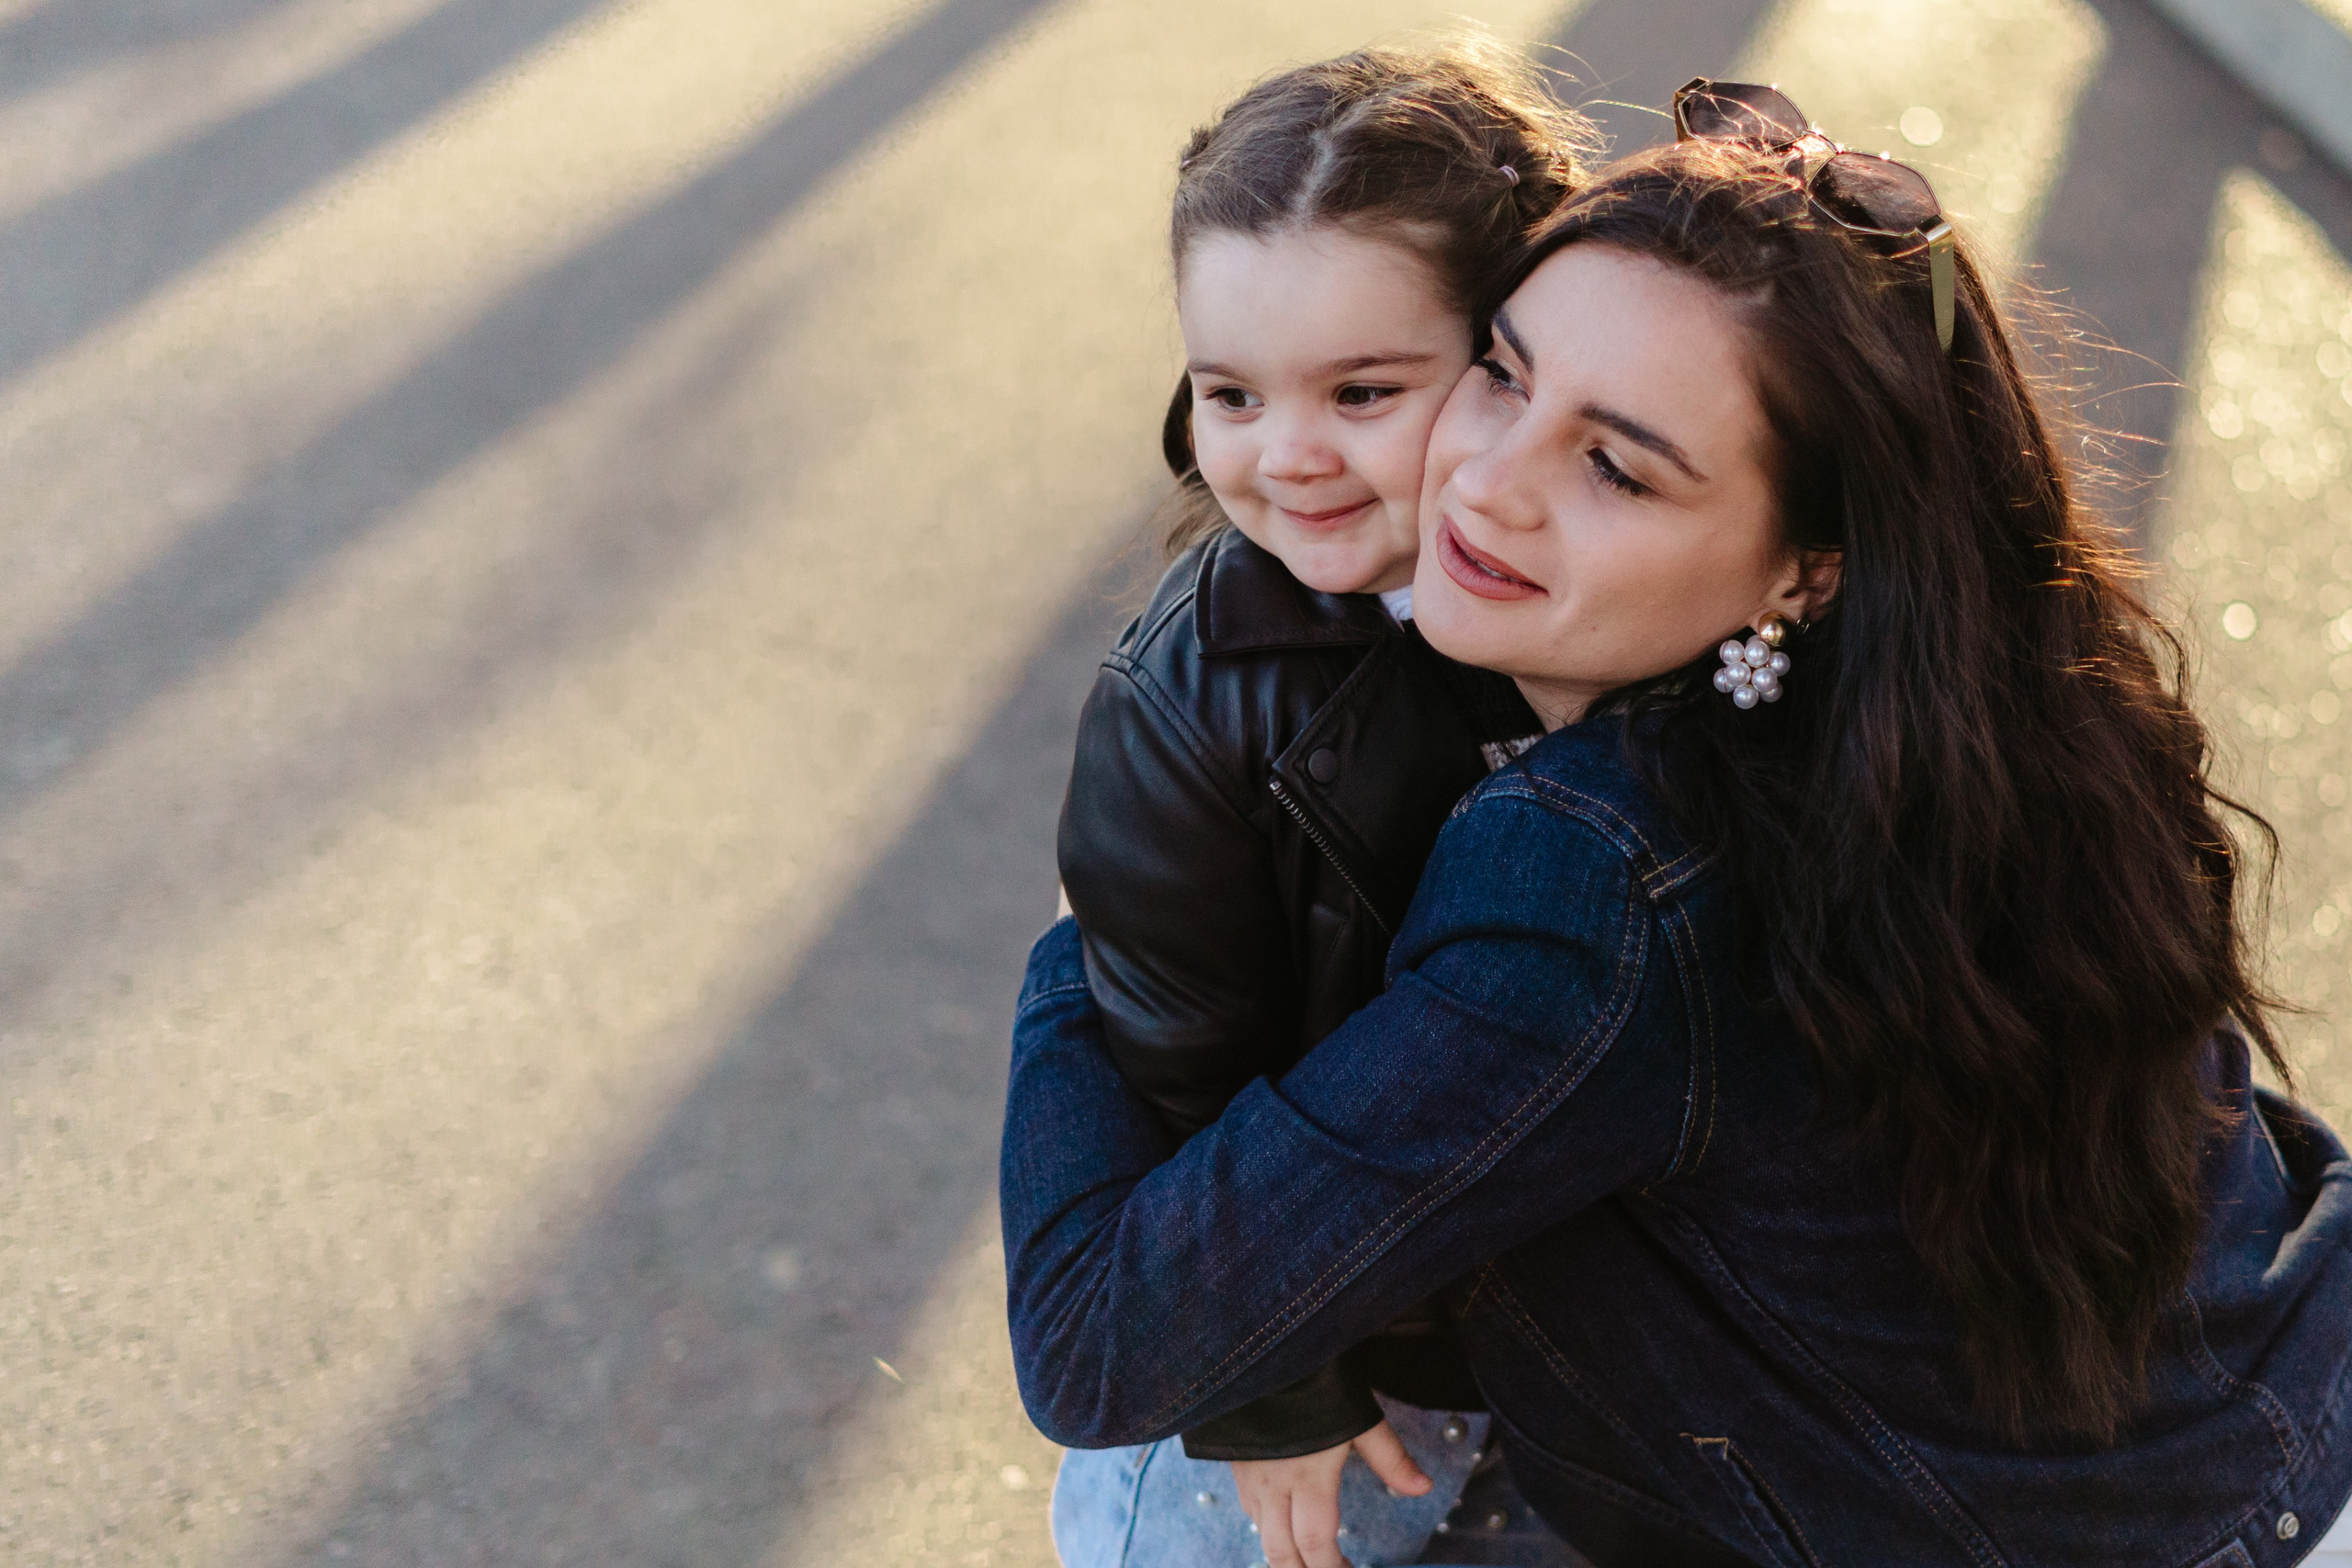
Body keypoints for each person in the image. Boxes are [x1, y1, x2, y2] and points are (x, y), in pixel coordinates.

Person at [1003, 90, 2352, 1568]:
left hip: (2131, 1537)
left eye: (1618, 468)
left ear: (1803, 573)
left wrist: (1087, 934)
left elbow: (1100, 1344)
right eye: (1507, 378)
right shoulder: (1991, 709)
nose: (1487, 481)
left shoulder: (1608, 878)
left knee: (1162, 1526)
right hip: (2290, 1389)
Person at [1045, 39, 1596, 1568]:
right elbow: (1172, 1071)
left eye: (1362, 391)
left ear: (1509, 363)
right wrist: (1268, 1387)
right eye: (1229, 393)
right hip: (1287, 1344)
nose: (1286, 457)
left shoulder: (1611, 612)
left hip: (1539, 1331)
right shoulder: (1193, 703)